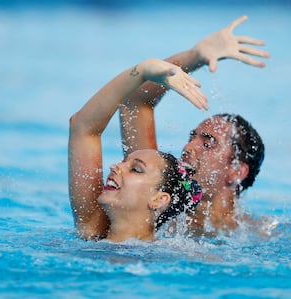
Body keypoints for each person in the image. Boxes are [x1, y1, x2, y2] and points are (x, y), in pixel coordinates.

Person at [119, 16, 270, 236]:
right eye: (192, 138)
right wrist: (194, 57)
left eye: (207, 144)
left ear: (236, 171)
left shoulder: (261, 234)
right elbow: (135, 104)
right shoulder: (157, 206)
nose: (188, 148)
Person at [68, 58, 204, 242]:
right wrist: (141, 71)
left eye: (135, 169)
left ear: (158, 199)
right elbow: (83, 126)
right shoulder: (91, 230)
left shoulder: (170, 257)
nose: (116, 167)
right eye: (124, 162)